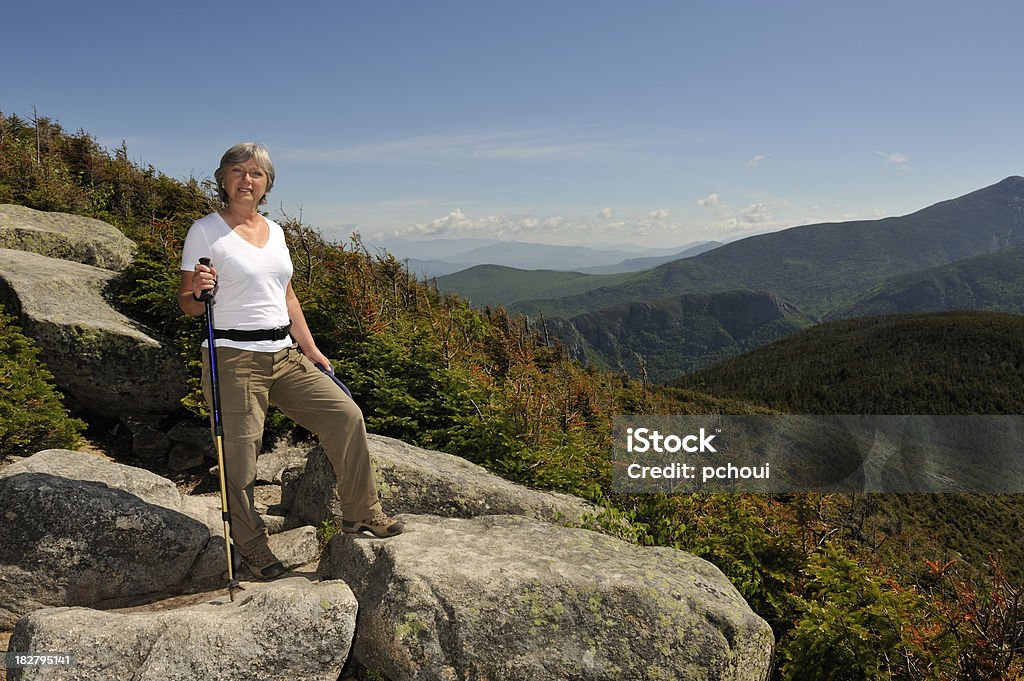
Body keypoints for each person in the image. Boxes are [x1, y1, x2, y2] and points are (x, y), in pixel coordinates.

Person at [178, 142, 403, 580]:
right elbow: (188, 303)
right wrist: (200, 290)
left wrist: (312, 349)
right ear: (223, 179)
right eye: (238, 171)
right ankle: (252, 544)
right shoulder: (205, 231)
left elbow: (287, 296)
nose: (247, 179)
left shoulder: (275, 232)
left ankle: (362, 512)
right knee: (240, 459)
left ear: (267, 184)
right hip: (232, 357)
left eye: (257, 173)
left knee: (345, 415)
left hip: (283, 353)